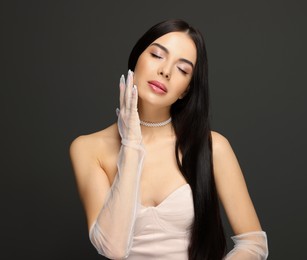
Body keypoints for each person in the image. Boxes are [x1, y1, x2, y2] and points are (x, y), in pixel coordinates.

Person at [69, 19, 268, 260]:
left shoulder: (213, 146)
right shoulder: (88, 148)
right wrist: (131, 143)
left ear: (186, 89)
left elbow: (254, 244)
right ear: (137, 58)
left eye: (183, 69)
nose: (165, 71)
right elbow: (114, 248)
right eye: (156, 55)